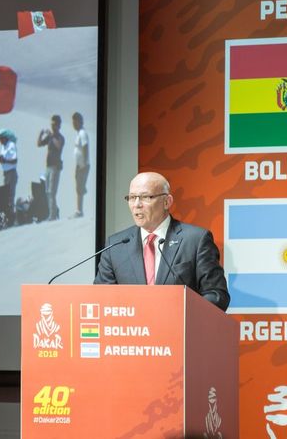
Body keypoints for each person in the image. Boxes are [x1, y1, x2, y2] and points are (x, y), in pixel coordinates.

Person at [94, 171, 230, 311]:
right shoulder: (116, 246)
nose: (136, 204)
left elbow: (217, 295)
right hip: (132, 330)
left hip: (179, 329)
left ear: (167, 202)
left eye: (145, 197)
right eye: (132, 197)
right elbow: (100, 298)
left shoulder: (196, 240)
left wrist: (181, 313)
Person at [37, 114, 64, 221]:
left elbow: (58, 146)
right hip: (48, 167)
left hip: (55, 167)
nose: (53, 127)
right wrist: (40, 134)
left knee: (52, 191)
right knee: (48, 191)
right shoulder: (50, 137)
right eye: (52, 124)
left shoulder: (60, 137)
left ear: (58, 125)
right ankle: (51, 214)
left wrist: (52, 136)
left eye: (54, 124)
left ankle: (53, 215)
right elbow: (39, 144)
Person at [0, 128, 18, 226]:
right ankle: (8, 217)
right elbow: (3, 158)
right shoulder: (3, 146)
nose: (0, 141)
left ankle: (11, 219)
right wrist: (1, 160)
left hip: (11, 173)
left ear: (4, 137)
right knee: (5, 196)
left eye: (0, 138)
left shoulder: (11, 145)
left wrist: (5, 161)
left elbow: (14, 160)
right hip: (5, 173)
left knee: (10, 196)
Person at [71, 112, 90, 218]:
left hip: (83, 165)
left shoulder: (82, 133)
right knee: (79, 186)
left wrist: (83, 163)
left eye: (75, 121)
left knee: (79, 187)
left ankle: (79, 211)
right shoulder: (78, 133)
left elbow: (85, 147)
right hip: (79, 165)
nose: (73, 124)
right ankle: (79, 210)